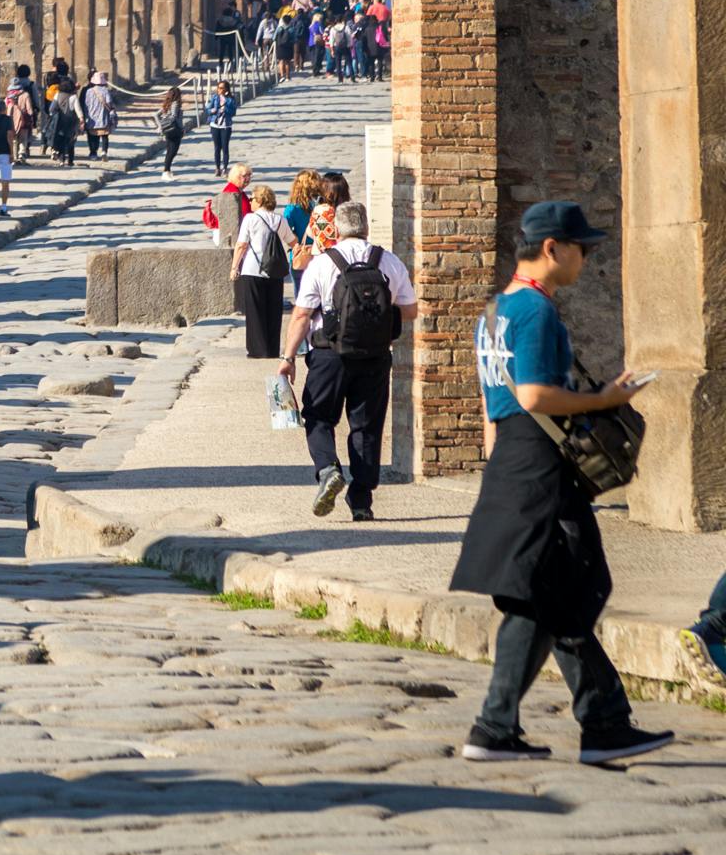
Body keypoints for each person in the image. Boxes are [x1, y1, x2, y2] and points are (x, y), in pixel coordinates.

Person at [450, 201, 671, 765]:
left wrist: (497, 466)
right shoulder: (538, 312)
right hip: (541, 461)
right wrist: (606, 399)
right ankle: (597, 725)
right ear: (552, 248)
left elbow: (492, 399)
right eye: (582, 248)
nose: (588, 258)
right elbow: (533, 395)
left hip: (513, 460)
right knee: (577, 584)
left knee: (542, 594)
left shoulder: (495, 310)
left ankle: (503, 728)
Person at [279, 202, 415, 522]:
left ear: (337, 229)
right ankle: (362, 502)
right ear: (366, 226)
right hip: (375, 356)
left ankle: (328, 470)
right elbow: (410, 311)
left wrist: (288, 358)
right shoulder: (388, 261)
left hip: (329, 355)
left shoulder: (323, 263)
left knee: (318, 416)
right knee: (366, 426)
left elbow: (301, 314)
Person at [230, 185, 296, 361]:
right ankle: (272, 348)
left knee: (255, 311)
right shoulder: (280, 220)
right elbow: (292, 241)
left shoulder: (250, 219)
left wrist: (234, 267)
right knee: (274, 311)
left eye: (252, 199)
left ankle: (258, 350)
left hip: (253, 269)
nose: (250, 202)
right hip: (275, 271)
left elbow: (242, 244)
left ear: (259, 200)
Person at [207, 163, 250, 248]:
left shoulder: (238, 190)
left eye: (249, 175)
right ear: (236, 176)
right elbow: (245, 214)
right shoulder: (232, 192)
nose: (248, 179)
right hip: (229, 234)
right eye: (245, 176)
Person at [4, 66, 40, 164]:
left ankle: (14, 155)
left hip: (11, 118)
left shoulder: (9, 95)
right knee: (24, 136)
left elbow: (5, 106)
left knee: (14, 137)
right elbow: (33, 103)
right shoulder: (30, 86)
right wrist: (33, 114)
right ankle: (22, 153)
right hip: (24, 117)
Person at [80, 72, 116, 161]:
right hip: (103, 117)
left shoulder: (88, 91)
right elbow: (109, 102)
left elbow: (86, 105)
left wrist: (85, 116)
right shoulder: (105, 90)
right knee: (104, 135)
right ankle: (104, 151)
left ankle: (93, 153)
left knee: (92, 136)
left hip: (92, 117)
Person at [204, 79, 237, 175]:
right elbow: (208, 109)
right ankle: (217, 168)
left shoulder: (231, 99)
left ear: (226, 89)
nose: (220, 90)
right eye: (218, 88)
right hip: (215, 124)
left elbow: (233, 112)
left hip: (226, 125)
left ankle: (225, 168)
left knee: (225, 147)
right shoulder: (214, 97)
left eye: (222, 88)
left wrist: (224, 107)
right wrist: (212, 111)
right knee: (217, 147)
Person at [283, 169, 323, 250]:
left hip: (302, 251)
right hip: (321, 250)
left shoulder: (292, 208)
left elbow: (285, 232)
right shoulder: (323, 205)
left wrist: (296, 243)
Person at [154, 85, 185, 180]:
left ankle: (167, 171)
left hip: (167, 131)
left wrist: (161, 125)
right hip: (175, 130)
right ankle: (165, 171)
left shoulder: (167, 103)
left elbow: (156, 115)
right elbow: (174, 117)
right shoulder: (175, 104)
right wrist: (181, 128)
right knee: (173, 151)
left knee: (169, 151)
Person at [48, 82, 80, 168]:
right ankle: (70, 160)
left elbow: (51, 109)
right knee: (70, 141)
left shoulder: (57, 95)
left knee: (61, 140)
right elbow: (78, 110)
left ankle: (61, 160)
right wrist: (82, 119)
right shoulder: (74, 97)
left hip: (59, 122)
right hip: (70, 122)